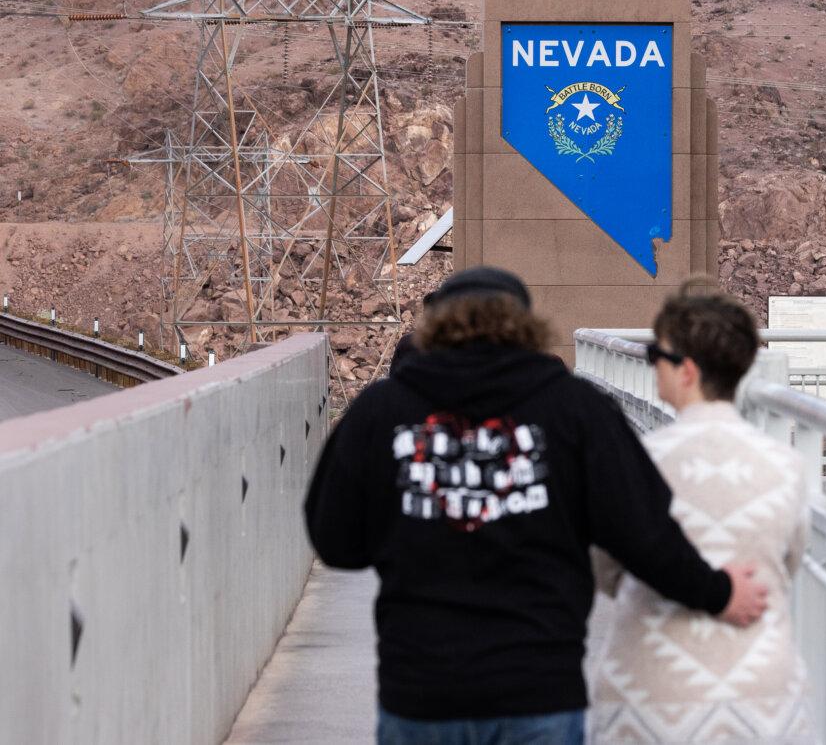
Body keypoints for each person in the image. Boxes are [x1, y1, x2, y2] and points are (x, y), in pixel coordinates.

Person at [304, 266, 769, 745]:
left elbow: (334, 539)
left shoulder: (383, 410)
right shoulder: (574, 409)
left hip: (423, 691)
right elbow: (644, 533)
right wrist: (717, 592)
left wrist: (416, 523)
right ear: (525, 326)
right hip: (538, 691)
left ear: (436, 326)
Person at [589, 279, 816, 744]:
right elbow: (788, 564)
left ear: (686, 371)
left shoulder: (638, 460)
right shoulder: (787, 466)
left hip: (649, 696)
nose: (653, 367)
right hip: (762, 702)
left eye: (658, 356)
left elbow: (604, 567)